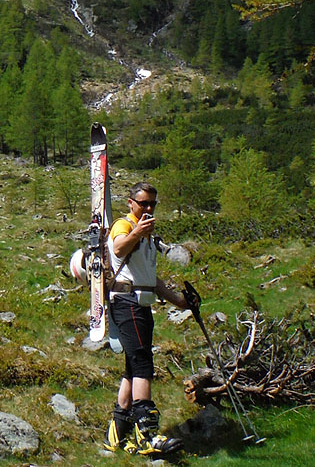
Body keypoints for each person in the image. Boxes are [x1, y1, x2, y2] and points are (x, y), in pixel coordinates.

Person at [104, 182, 188, 456]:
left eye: (153, 204)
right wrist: (138, 232)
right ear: (131, 203)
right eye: (143, 203)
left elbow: (151, 279)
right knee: (142, 364)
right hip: (127, 301)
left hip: (141, 303)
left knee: (133, 365)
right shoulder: (124, 225)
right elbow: (118, 249)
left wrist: (180, 301)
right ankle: (147, 435)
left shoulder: (148, 237)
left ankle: (117, 432)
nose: (149, 208)